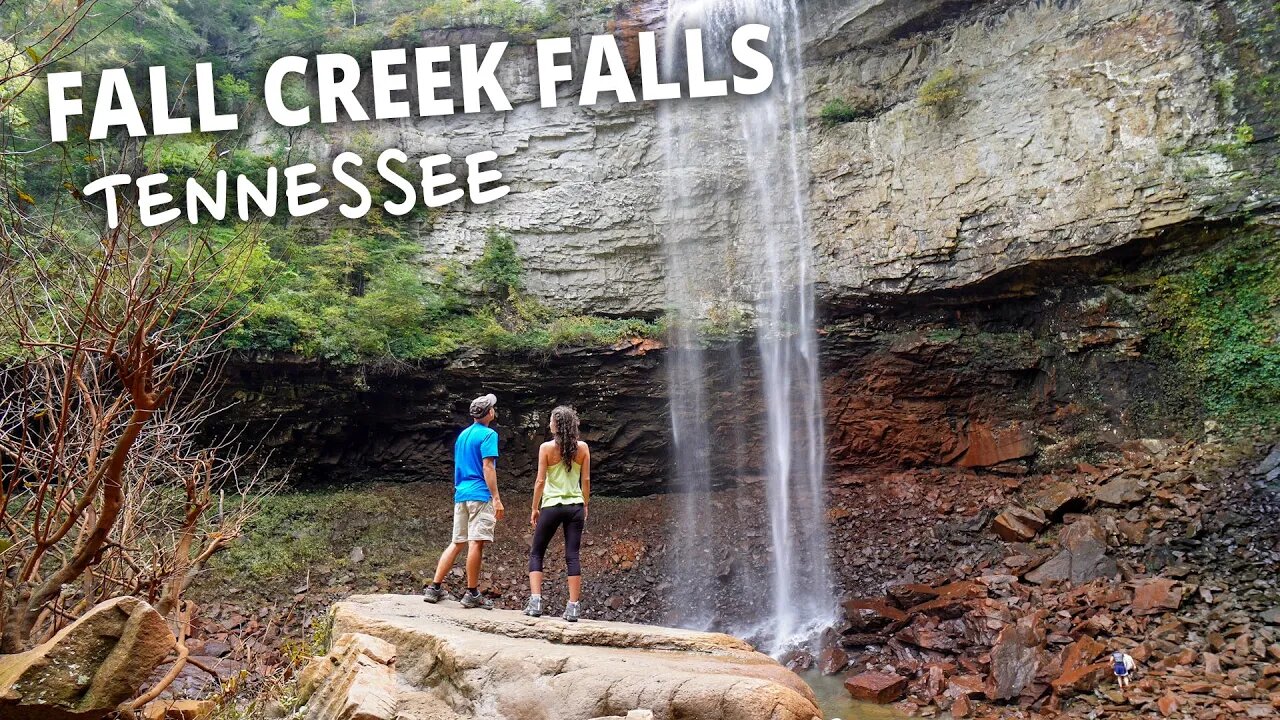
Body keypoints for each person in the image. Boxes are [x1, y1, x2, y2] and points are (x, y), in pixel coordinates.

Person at [423, 393, 506, 609]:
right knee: (475, 542)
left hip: (461, 494)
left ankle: (434, 588)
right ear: (489, 413)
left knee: (457, 542)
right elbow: (488, 467)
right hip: (479, 494)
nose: (494, 411)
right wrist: (496, 498)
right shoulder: (489, 435)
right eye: (493, 408)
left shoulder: (463, 436)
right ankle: (472, 593)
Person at [524, 406, 590, 622]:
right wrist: (585, 504)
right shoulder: (582, 448)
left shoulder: (545, 448)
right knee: (572, 555)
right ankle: (573, 607)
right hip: (575, 507)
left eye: (551, 420)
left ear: (556, 425)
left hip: (552, 506)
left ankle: (535, 602)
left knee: (537, 552)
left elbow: (540, 481)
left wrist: (535, 507)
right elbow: (586, 480)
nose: (549, 424)